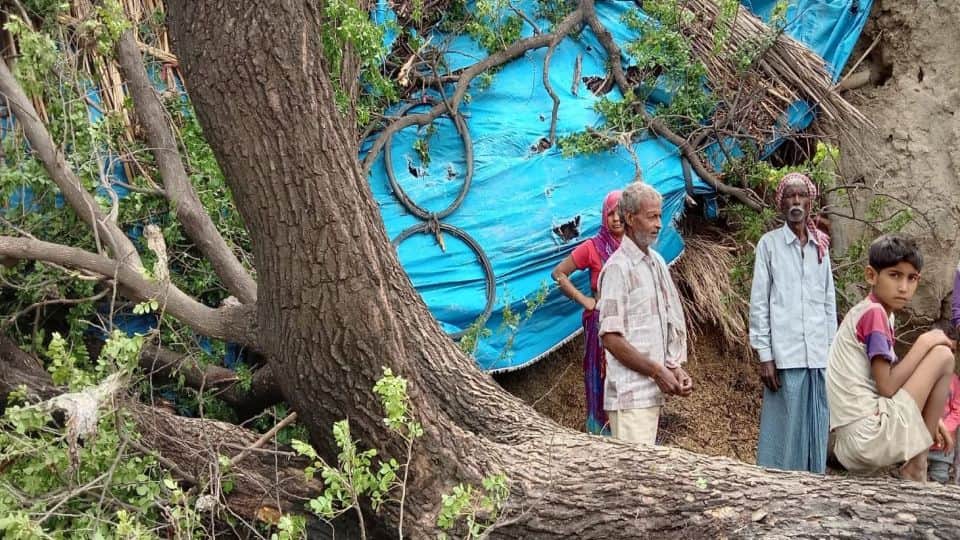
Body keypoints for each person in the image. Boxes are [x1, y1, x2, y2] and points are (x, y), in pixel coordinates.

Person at [827, 234, 956, 481]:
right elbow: (887, 387)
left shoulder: (873, 312)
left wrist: (930, 420)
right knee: (942, 355)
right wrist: (924, 341)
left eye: (912, 278)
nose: (903, 287)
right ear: (871, 276)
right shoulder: (874, 314)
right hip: (867, 436)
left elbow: (896, 383)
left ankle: (917, 462)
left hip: (854, 440)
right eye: (894, 275)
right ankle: (918, 465)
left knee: (937, 354)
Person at [749, 172, 836, 473]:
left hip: (818, 358)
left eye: (802, 196)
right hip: (785, 357)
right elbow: (760, 303)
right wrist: (765, 356)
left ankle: (812, 492)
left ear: (811, 202)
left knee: (816, 428)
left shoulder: (820, 248)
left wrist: (831, 354)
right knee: (783, 434)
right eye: (790, 196)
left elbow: (828, 304)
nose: (796, 201)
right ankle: (777, 491)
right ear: (781, 203)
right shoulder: (769, 245)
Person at [596, 182, 692, 444]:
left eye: (660, 216)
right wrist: (657, 371)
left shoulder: (656, 262)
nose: (659, 223)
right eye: (651, 216)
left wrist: (673, 367)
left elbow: (664, 322)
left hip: (650, 395)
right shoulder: (618, 269)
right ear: (629, 218)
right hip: (630, 396)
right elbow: (611, 338)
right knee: (631, 480)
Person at [552, 190, 623, 435]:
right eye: (610, 213)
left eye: (620, 212)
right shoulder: (592, 247)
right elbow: (559, 273)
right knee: (602, 379)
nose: (616, 218)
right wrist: (584, 299)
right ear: (604, 216)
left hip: (630, 326)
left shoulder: (636, 247)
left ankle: (633, 438)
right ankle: (601, 435)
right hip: (600, 326)